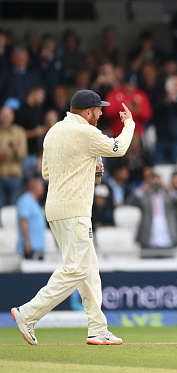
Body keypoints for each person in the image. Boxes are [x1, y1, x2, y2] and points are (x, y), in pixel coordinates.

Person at [11, 89, 135, 346]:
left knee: (89, 271)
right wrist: (130, 124)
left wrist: (91, 170)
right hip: (75, 210)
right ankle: (28, 314)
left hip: (56, 209)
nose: (101, 113)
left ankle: (98, 329)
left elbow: (47, 173)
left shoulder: (53, 131)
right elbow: (119, 148)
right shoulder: (86, 132)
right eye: (99, 109)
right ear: (87, 112)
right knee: (77, 269)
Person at [16, 177, 46, 260]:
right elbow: (23, 220)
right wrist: (27, 241)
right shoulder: (25, 200)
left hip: (38, 248)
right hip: (29, 249)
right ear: (34, 187)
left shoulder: (34, 201)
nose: (43, 189)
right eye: (41, 186)